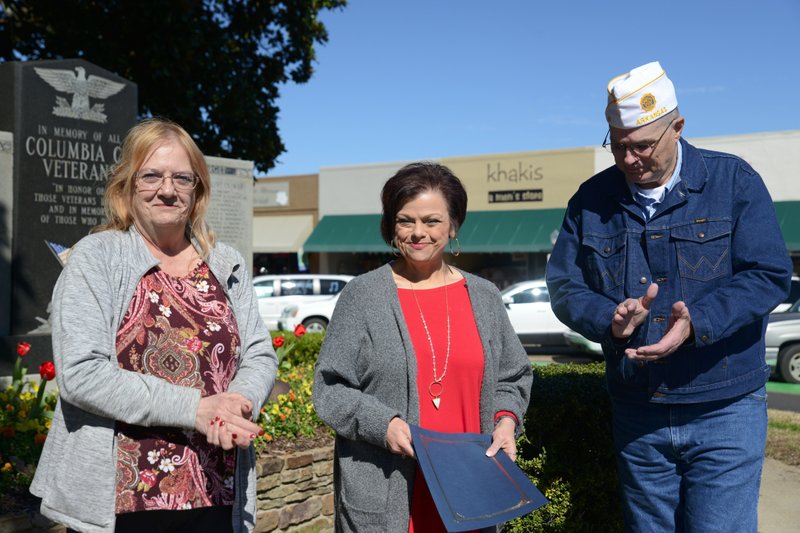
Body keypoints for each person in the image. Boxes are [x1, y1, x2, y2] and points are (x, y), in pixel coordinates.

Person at [546, 61, 793, 532]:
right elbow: (564, 285)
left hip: (726, 408)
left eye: (642, 146)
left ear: (677, 128)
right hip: (637, 408)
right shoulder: (590, 201)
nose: (628, 160)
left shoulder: (734, 183)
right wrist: (608, 317)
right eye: (617, 147)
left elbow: (769, 274)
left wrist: (698, 321)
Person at [30, 118, 278, 533]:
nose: (167, 189)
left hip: (216, 491)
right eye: (151, 176)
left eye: (182, 178)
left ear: (197, 190)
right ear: (127, 184)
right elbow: (80, 373)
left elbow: (259, 352)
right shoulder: (97, 258)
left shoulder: (225, 263)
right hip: (124, 502)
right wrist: (195, 410)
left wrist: (240, 401)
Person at [313, 162, 532, 532]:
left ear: (453, 225)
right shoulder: (363, 296)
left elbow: (512, 376)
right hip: (388, 494)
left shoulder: (484, 296)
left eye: (432, 221)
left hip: (471, 490)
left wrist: (505, 420)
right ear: (390, 225)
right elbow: (330, 389)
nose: (418, 233)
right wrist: (384, 425)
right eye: (405, 221)